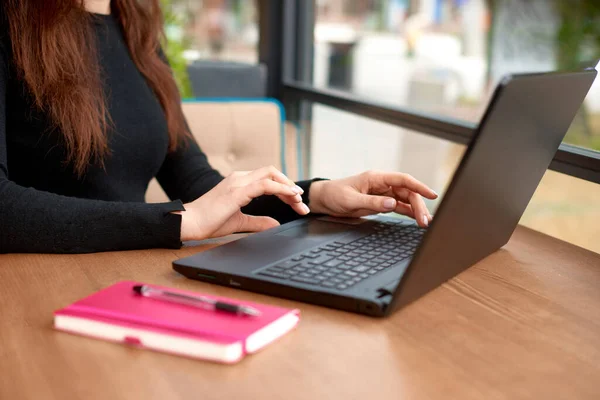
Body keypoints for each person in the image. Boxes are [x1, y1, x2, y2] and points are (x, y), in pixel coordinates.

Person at [0, 0, 437, 254]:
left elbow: (198, 184)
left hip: (128, 276)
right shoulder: (11, 22)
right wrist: (179, 222)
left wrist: (318, 195)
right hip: (40, 289)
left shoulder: (136, 25)